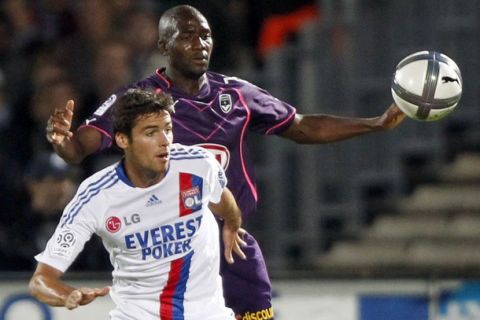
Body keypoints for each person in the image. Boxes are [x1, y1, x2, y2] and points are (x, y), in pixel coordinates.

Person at [45, 5, 406, 319]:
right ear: (163, 46)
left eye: (205, 36)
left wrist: (374, 124)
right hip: (170, 247)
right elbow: (81, 147)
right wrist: (65, 144)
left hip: (232, 244)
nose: (199, 44)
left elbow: (302, 126)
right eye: (187, 36)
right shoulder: (139, 102)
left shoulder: (236, 94)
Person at [31, 88, 246, 320]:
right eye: (151, 133)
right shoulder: (96, 196)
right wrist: (67, 295)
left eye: (168, 130)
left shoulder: (198, 164)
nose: (165, 141)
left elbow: (222, 198)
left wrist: (232, 224)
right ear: (123, 139)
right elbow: (41, 280)